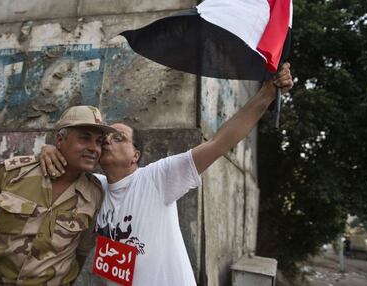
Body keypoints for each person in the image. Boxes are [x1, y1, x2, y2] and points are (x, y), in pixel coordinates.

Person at [40, 63, 293, 285]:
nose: (107, 142)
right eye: (104, 138)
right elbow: (63, 163)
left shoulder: (156, 179)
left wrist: (267, 94)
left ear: (135, 156)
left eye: (119, 138)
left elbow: (219, 142)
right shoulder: (94, 187)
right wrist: (48, 148)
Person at [0, 106, 115, 285]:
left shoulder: (95, 193)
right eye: (84, 138)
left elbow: (81, 252)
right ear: (60, 139)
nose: (94, 148)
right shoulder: (13, 173)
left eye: (99, 141)